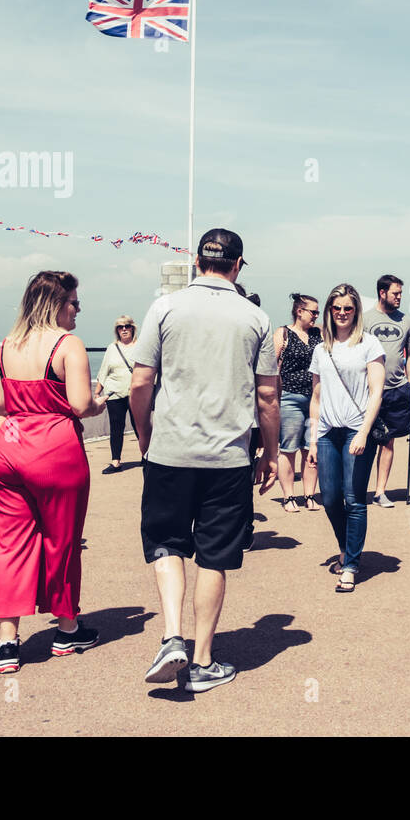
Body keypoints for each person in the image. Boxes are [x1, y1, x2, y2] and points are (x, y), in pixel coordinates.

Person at [130, 229, 280, 693]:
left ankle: (173, 634)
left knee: (167, 544)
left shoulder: (164, 308)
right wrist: (270, 453)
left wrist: (145, 434)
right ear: (237, 265)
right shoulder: (256, 318)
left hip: (170, 451)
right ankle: (201, 660)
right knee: (214, 555)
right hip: (228, 456)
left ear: (198, 262)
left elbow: (139, 383)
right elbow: (268, 397)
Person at [0, 272, 106, 674]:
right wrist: (99, 403)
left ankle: (7, 643)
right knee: (61, 541)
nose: (78, 309)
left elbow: (0, 405)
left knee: (10, 546)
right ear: (56, 303)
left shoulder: (7, 344)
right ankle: (67, 629)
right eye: (74, 302)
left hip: (9, 450)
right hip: (54, 452)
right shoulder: (67, 345)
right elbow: (78, 404)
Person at [307, 284, 385, 593]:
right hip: (327, 430)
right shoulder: (321, 348)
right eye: (336, 308)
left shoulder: (369, 343)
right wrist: (312, 439)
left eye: (347, 309)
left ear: (356, 312)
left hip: (356, 428)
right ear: (329, 311)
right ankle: (344, 545)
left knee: (353, 499)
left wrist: (364, 431)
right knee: (329, 498)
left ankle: (351, 564)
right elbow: (315, 396)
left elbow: (377, 390)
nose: (341, 313)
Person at [363, 274, 410, 508]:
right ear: (382, 293)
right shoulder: (365, 320)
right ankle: (356, 490)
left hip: (396, 390)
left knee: (389, 442)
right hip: (368, 391)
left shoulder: (407, 321)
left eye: (401, 293)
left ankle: (380, 491)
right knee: (364, 440)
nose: (399, 298)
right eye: (395, 293)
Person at [274, 293, 322, 512]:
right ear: (299, 311)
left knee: (311, 447)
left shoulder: (317, 335)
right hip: (289, 398)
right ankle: (288, 496)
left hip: (315, 397)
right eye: (313, 311)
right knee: (289, 448)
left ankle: (310, 495)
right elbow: (272, 367)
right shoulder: (283, 333)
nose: (316, 316)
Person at [93, 314, 139, 474]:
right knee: (116, 427)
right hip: (114, 393)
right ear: (117, 331)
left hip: (136, 393)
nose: (124, 329)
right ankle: (116, 462)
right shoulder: (112, 348)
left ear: (133, 328)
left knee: (140, 426)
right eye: (120, 327)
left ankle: (147, 458)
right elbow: (103, 371)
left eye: (127, 326)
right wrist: (97, 392)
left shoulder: (140, 346)